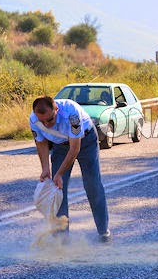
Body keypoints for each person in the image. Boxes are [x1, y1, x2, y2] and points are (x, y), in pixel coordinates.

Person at [29, 96, 111, 242]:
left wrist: (59, 173)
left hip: (85, 142)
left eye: (50, 119)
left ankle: (103, 232)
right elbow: (41, 144)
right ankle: (61, 237)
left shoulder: (71, 113)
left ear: (56, 110)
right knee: (58, 189)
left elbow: (74, 148)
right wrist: (45, 169)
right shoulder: (34, 119)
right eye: (42, 121)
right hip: (60, 145)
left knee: (92, 185)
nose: (46, 124)